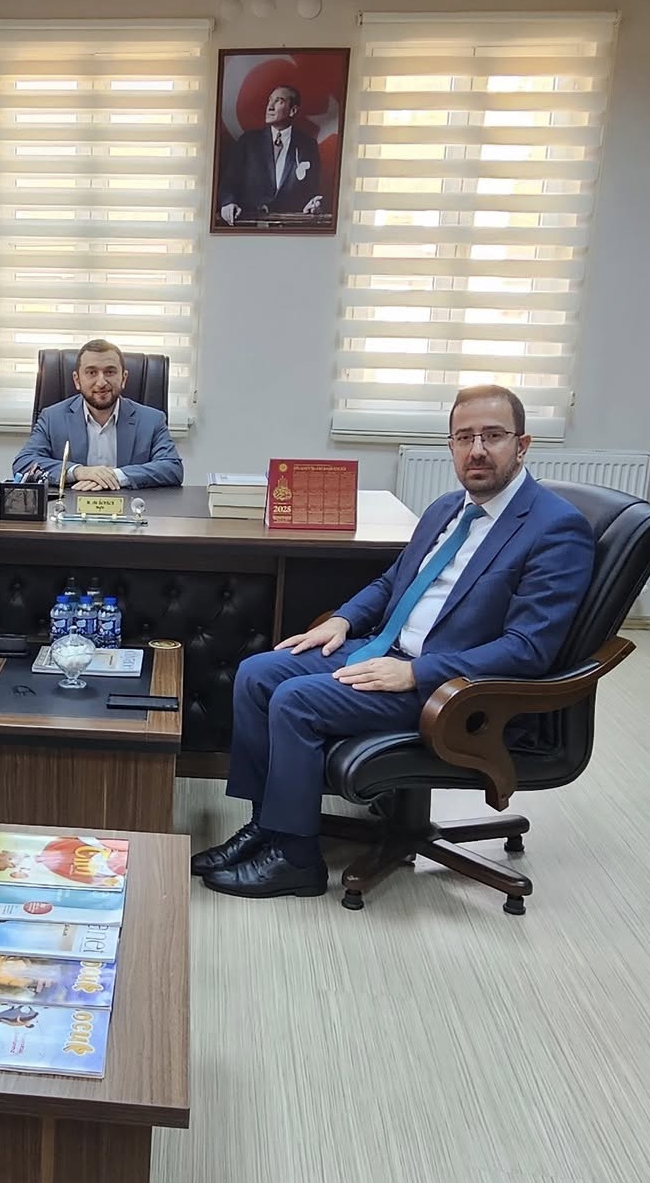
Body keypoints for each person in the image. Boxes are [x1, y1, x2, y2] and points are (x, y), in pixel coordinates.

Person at [197, 385, 596, 899]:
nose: (476, 450)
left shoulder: (555, 528)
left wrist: (414, 673)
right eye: (464, 438)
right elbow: (393, 582)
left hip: (451, 689)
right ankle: (268, 828)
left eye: (493, 436)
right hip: (386, 649)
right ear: (450, 446)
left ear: (522, 445)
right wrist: (343, 620)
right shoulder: (448, 507)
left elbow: (528, 649)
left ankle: (296, 860)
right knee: (257, 672)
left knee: (296, 701)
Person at [12, 338, 183, 490]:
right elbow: (24, 463)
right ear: (77, 380)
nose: (101, 382)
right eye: (91, 372)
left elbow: (172, 468)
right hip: (70, 510)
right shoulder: (52, 418)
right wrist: (77, 471)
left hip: (131, 509)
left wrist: (116, 476)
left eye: (110, 372)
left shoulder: (152, 420)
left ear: (123, 378)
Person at [217, 83, 327, 225]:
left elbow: (311, 190)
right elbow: (229, 182)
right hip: (250, 225)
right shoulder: (248, 141)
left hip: (288, 228)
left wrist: (312, 204)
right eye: (270, 100)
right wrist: (228, 203)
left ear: (293, 110)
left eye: (278, 101)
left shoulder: (307, 145)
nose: (270, 106)